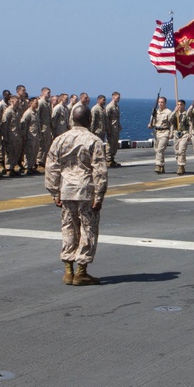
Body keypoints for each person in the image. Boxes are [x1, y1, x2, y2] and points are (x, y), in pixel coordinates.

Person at [45, 103, 108, 287]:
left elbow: (52, 167)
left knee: (68, 228)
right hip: (86, 190)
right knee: (87, 228)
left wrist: (54, 192)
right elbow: (99, 171)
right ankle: (81, 271)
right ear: (89, 120)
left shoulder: (60, 139)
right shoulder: (93, 140)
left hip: (66, 190)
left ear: (72, 119)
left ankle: (68, 271)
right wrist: (99, 195)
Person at [148, 96, 174, 174]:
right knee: (157, 150)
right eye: (159, 102)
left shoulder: (168, 112)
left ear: (165, 103)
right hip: (157, 132)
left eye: (162, 102)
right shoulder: (155, 112)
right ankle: (162, 167)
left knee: (160, 149)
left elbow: (172, 124)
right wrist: (150, 125)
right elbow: (153, 122)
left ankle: (158, 165)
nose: (160, 104)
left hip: (165, 132)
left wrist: (171, 133)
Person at [104, 91, 122, 167]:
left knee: (115, 144)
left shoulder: (116, 107)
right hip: (111, 129)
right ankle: (108, 160)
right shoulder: (109, 107)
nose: (119, 99)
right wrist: (108, 129)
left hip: (116, 128)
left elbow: (117, 119)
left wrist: (119, 126)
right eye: (118, 97)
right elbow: (106, 118)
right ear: (113, 97)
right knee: (110, 144)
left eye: (119, 98)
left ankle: (112, 159)